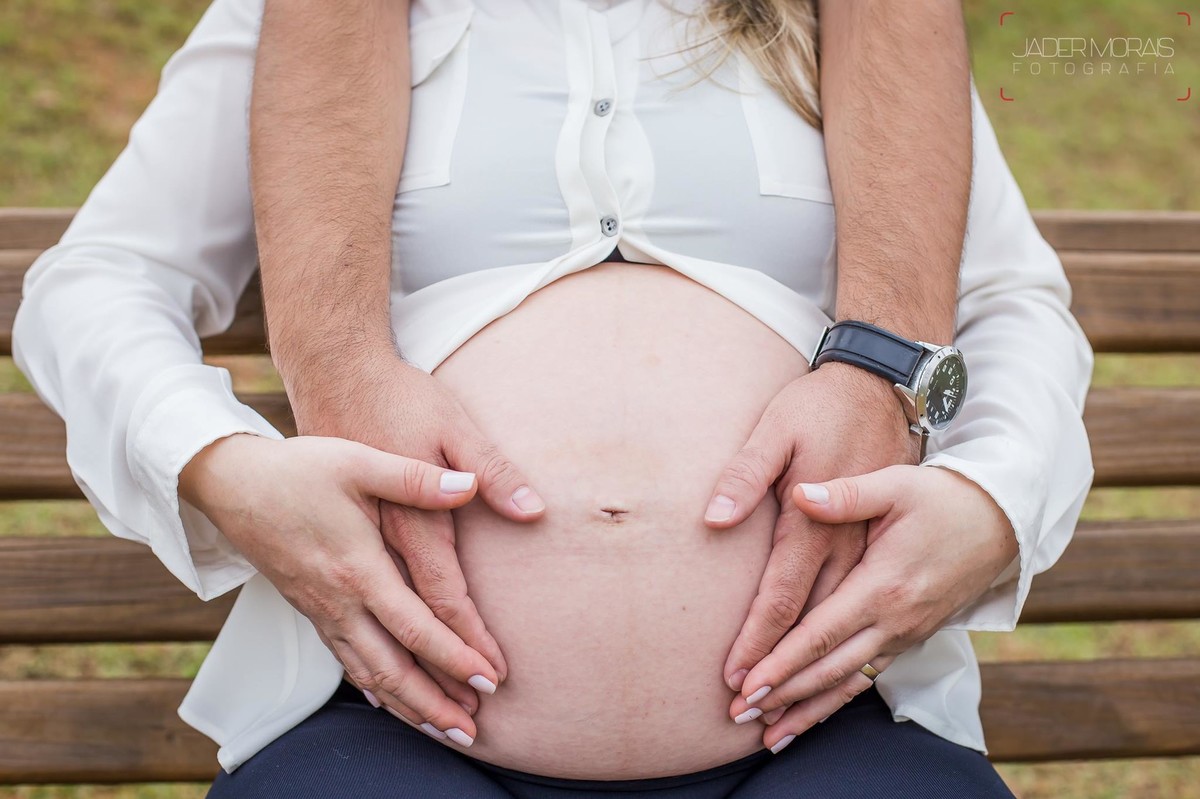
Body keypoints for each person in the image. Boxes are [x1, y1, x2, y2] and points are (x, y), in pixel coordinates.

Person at [10, 0, 1094, 796]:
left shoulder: (855, 27)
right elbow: (98, 282)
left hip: (830, 718)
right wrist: (226, 468)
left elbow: (1010, 306)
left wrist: (992, 499)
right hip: (385, 720)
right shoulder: (296, 22)